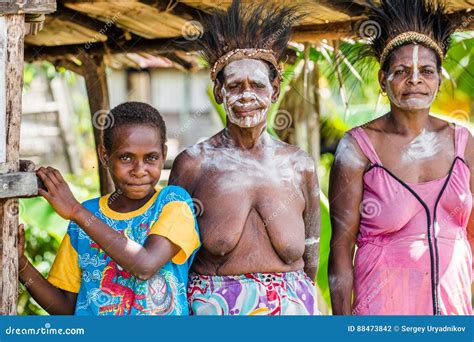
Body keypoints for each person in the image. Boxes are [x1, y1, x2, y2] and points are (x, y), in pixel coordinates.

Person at [169, 0, 320, 315]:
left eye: (257, 85)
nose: (246, 95)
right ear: (218, 92)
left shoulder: (299, 164)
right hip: (217, 310)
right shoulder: (193, 164)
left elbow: (311, 257)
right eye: (235, 85)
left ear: (274, 91)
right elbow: (172, 259)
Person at [328, 0, 472, 315]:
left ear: (439, 78)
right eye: (401, 71)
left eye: (426, 71)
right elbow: (340, 250)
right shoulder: (357, 148)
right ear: (383, 80)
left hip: (454, 312)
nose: (414, 80)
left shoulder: (463, 142)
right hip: (382, 313)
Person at [18, 102, 200, 315]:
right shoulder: (87, 215)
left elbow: (145, 266)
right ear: (105, 155)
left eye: (151, 158)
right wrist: (21, 264)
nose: (139, 170)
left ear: (163, 153)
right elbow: (67, 308)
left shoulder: (174, 203)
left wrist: (76, 212)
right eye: (126, 157)